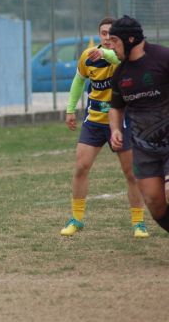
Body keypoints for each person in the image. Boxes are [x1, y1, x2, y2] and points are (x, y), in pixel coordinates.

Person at [60, 17, 149, 238]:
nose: (107, 38)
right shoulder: (88, 57)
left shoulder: (122, 58)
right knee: (81, 166)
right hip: (94, 122)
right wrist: (70, 109)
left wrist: (105, 54)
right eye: (103, 33)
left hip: (120, 122)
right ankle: (77, 219)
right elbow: (78, 81)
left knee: (131, 174)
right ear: (99, 35)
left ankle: (138, 223)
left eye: (111, 34)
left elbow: (117, 61)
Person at [108, 15, 169, 240]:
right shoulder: (120, 74)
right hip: (144, 148)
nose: (109, 45)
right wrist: (115, 129)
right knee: (155, 203)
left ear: (130, 39)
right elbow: (115, 108)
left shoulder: (163, 58)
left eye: (114, 40)